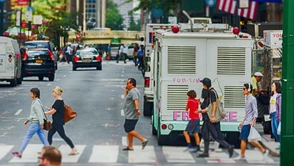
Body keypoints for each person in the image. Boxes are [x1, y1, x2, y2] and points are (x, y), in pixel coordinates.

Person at [197, 78, 234, 158]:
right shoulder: (209, 92)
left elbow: (214, 104)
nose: (202, 86)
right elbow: (209, 105)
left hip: (210, 119)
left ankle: (229, 147)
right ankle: (206, 152)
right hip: (207, 118)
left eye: (203, 84)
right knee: (205, 134)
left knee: (216, 136)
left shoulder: (212, 92)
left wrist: (213, 116)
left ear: (205, 85)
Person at [234, 83, 269, 160]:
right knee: (247, 139)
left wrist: (253, 121)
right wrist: (243, 122)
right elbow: (248, 113)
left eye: (244, 89)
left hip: (249, 122)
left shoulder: (252, 99)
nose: (243, 90)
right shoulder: (247, 98)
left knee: (245, 139)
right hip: (246, 121)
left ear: (248, 90)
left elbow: (255, 112)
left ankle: (262, 151)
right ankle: (262, 151)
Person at [12, 88, 49, 158]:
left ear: (34, 94)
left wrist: (41, 123)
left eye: (31, 93)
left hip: (35, 124)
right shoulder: (36, 101)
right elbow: (33, 114)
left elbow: (40, 114)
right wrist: (27, 120)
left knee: (27, 137)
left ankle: (20, 153)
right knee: (43, 138)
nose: (30, 94)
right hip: (37, 123)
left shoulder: (36, 103)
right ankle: (50, 152)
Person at [44, 86, 78, 155]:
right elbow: (56, 110)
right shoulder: (59, 100)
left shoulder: (58, 101)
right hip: (56, 121)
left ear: (57, 93)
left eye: (53, 92)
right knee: (50, 134)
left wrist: (43, 113)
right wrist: (51, 110)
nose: (52, 93)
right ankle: (47, 150)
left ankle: (74, 149)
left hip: (58, 122)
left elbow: (53, 112)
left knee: (63, 135)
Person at [123, 78, 148, 151]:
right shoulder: (132, 91)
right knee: (130, 130)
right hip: (130, 114)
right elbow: (128, 99)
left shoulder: (133, 92)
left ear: (132, 84)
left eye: (128, 83)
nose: (126, 85)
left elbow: (136, 100)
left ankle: (143, 140)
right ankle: (130, 146)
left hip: (131, 115)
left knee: (128, 128)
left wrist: (137, 109)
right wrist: (126, 91)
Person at [269, 81, 282, 149]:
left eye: (273, 86)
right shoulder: (272, 96)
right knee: (274, 131)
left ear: (277, 87)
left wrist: (279, 117)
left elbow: (280, 107)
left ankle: (282, 144)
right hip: (272, 114)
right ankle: (281, 143)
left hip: (276, 115)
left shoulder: (279, 96)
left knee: (278, 130)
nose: (272, 87)